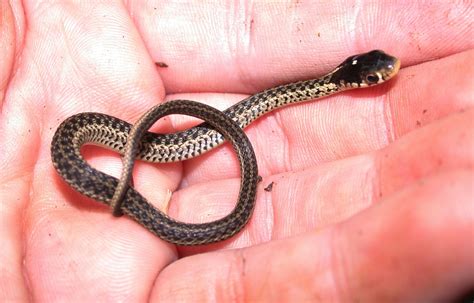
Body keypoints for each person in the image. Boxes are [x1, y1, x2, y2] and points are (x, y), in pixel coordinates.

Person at [1, 1, 472, 301]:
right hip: (99, 140)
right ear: (354, 73)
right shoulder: (72, 139)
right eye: (374, 77)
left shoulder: (319, 87)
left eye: (377, 76)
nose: (379, 78)